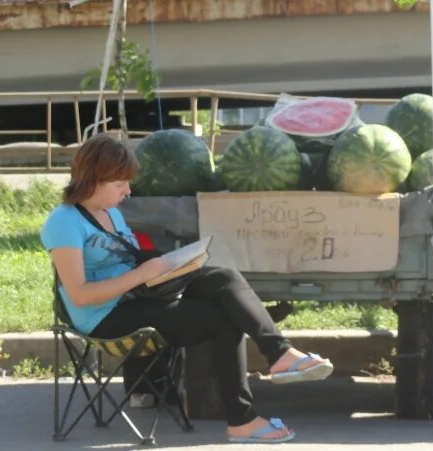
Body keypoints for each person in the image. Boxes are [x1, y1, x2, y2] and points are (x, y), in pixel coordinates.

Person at [40, 134, 334, 444]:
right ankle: (242, 420)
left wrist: (171, 267)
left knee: (224, 278)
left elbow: (128, 259)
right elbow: (80, 295)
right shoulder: (64, 222)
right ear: (93, 179)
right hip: (104, 317)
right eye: (119, 185)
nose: (128, 191)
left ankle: (280, 353)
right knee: (223, 318)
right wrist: (141, 274)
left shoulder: (110, 211)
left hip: (138, 293)